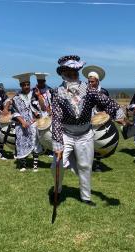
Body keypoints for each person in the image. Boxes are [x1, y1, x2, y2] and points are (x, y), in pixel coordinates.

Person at [51, 55, 127, 206]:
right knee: (57, 164)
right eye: (69, 74)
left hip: (85, 134)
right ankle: (57, 190)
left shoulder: (89, 89)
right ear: (63, 75)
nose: (73, 77)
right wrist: (58, 143)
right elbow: (57, 119)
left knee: (85, 166)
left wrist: (117, 112)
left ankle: (85, 197)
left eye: (75, 74)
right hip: (66, 134)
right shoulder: (57, 92)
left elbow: (104, 100)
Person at [12, 72, 42, 172]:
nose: (26, 86)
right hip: (21, 124)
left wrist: (40, 96)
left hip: (33, 123)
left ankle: (35, 165)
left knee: (35, 143)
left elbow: (41, 108)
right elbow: (14, 112)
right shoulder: (16, 98)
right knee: (21, 142)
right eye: (24, 85)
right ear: (21, 85)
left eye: (28, 84)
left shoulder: (35, 95)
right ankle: (23, 165)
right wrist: (22, 122)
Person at [82, 65, 110, 172]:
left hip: (99, 121)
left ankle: (98, 163)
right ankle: (87, 164)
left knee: (98, 142)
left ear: (97, 81)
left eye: (92, 82)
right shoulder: (85, 92)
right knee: (86, 142)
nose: (90, 84)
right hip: (87, 120)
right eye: (89, 81)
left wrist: (104, 114)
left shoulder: (103, 92)